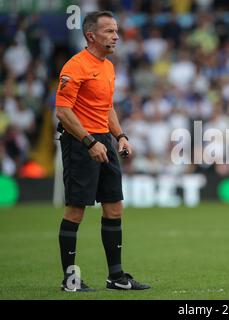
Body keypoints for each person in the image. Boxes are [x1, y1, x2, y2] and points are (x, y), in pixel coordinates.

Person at [55, 11, 150, 292]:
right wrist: (89, 142)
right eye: (109, 31)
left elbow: (106, 107)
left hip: (104, 141)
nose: (116, 36)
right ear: (91, 35)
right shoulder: (75, 67)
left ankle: (116, 277)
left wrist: (119, 135)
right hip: (79, 142)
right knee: (76, 211)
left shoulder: (107, 66)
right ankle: (69, 280)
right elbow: (62, 111)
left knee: (114, 207)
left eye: (116, 31)